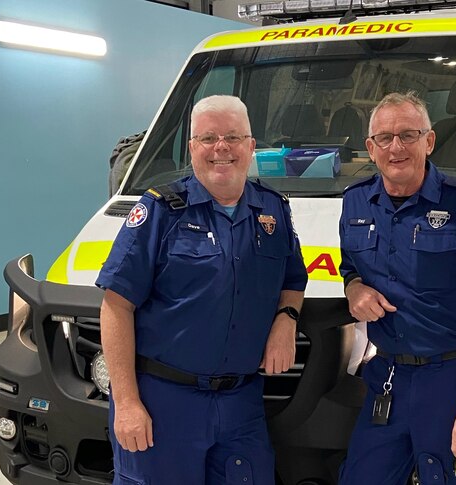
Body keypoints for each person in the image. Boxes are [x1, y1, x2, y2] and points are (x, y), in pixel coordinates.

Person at [96, 95, 307, 485]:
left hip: (241, 403)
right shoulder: (160, 211)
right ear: (192, 148)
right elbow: (115, 306)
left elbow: (294, 280)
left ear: (250, 146)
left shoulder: (272, 210)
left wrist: (286, 319)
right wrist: (125, 403)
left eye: (232, 137)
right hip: (165, 402)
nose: (220, 148)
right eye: (208, 138)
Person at [337, 92, 456, 485]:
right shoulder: (355, 203)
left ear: (429, 141)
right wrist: (353, 290)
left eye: (408, 135)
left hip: (451, 379)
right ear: (370, 148)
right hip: (386, 375)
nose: (395, 147)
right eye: (384, 138)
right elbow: (350, 266)